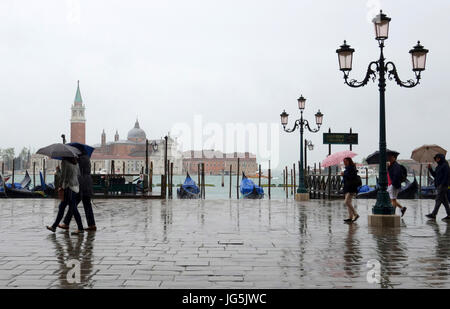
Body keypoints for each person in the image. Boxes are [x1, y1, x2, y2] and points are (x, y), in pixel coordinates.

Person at [59, 149, 96, 231]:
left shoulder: (79, 159)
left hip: (81, 183)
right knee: (86, 204)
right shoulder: (87, 158)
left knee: (74, 203)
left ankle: (69, 224)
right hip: (88, 182)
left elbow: (76, 171)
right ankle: (91, 225)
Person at [46, 157, 84, 235]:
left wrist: (58, 172)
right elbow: (78, 174)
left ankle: (80, 228)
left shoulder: (65, 162)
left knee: (73, 208)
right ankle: (54, 226)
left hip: (68, 188)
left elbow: (64, 177)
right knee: (62, 207)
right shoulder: (76, 162)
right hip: (75, 187)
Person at [425, 154, 450, 221]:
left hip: (443, 186)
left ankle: (433, 214)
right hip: (439, 186)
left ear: (440, 158)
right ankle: (449, 214)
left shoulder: (445, 165)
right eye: (436, 159)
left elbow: (447, 176)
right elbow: (435, 175)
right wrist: (430, 169)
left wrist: (442, 184)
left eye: (437, 158)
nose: (436, 160)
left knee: (438, 200)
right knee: (444, 201)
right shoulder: (438, 166)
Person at [341, 157, 360, 223]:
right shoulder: (347, 169)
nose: (344, 162)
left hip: (351, 187)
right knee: (349, 202)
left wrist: (344, 174)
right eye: (343, 161)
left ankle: (355, 214)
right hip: (347, 187)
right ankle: (350, 217)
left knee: (346, 202)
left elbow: (351, 177)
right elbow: (346, 178)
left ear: (349, 161)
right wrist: (343, 175)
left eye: (346, 161)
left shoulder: (352, 168)